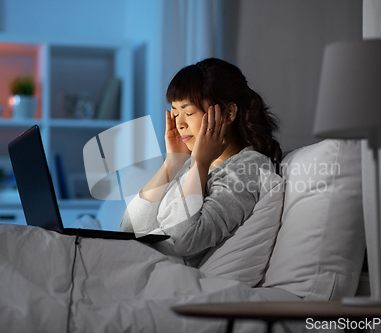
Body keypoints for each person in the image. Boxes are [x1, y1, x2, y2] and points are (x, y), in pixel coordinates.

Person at [120, 58, 282, 267]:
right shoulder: (190, 164)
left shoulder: (248, 168)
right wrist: (172, 164)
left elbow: (182, 240)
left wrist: (199, 163)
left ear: (229, 113)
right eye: (175, 113)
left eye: (188, 113)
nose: (179, 123)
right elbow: (128, 231)